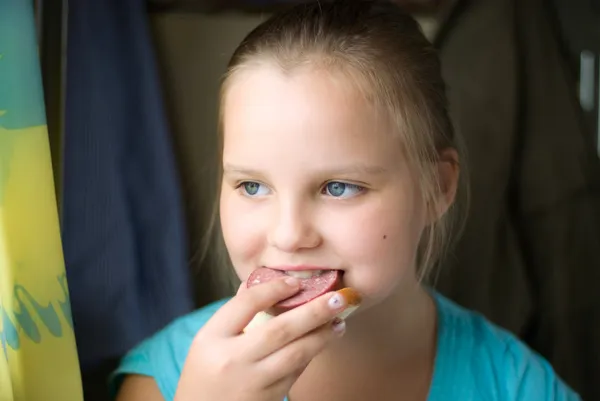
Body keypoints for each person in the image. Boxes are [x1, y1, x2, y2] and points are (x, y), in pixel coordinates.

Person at [110, 1, 582, 400]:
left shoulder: (518, 385)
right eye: (252, 187)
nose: (289, 234)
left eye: (339, 187)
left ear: (437, 187)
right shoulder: (163, 382)